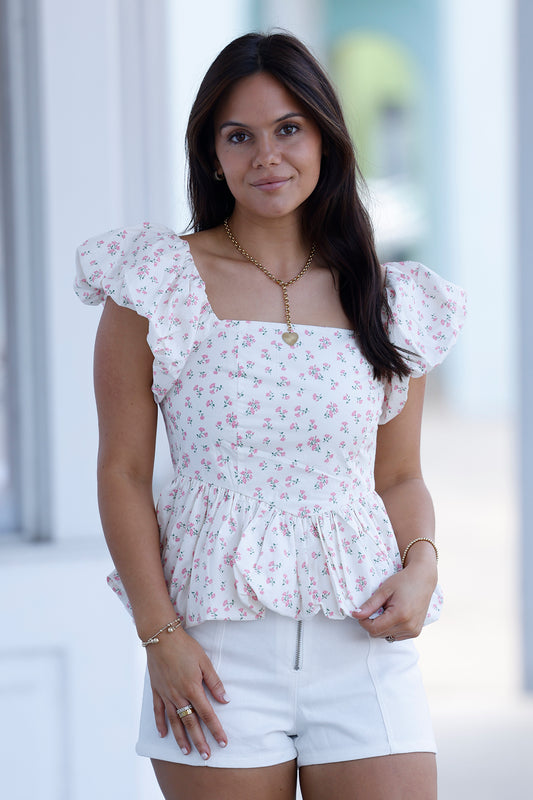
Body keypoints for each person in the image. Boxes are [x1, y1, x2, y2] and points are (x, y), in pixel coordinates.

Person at [75, 31, 466, 800]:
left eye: (288, 128)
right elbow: (121, 472)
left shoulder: (388, 299)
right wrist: (160, 639)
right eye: (239, 136)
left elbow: (398, 476)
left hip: (363, 647)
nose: (267, 157)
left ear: (323, 136)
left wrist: (422, 563)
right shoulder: (155, 281)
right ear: (211, 153)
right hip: (213, 653)